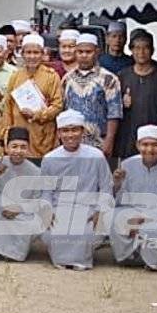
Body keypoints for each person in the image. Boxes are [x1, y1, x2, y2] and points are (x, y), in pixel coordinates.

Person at [40, 109, 113, 270]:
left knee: (86, 232)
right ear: (59, 133)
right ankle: (61, 259)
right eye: (65, 130)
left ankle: (82, 260)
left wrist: (100, 211)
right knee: (55, 232)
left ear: (82, 132)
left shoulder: (96, 156)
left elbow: (106, 187)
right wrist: (47, 210)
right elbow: (46, 191)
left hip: (89, 209)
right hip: (59, 208)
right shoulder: (50, 159)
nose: (70, 135)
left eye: (75, 130)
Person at [109, 124, 157, 271]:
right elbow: (119, 202)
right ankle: (129, 257)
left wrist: (144, 219)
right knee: (113, 217)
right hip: (131, 213)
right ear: (138, 145)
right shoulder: (127, 164)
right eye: (145, 144)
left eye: (155, 145)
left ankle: (154, 260)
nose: (149, 149)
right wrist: (117, 184)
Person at [0, 126, 42, 261]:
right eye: (14, 146)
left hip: (22, 211)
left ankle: (13, 252)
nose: (18, 151)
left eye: (23, 147)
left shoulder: (35, 171)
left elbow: (37, 200)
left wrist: (19, 208)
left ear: (28, 149)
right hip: (1, 206)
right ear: (7, 148)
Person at [0, 34, 63, 158]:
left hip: (42, 135)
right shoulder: (16, 76)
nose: (32, 56)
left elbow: (57, 106)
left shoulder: (51, 76)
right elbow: (8, 107)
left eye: (36, 52)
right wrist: (6, 133)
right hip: (18, 135)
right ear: (22, 54)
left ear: (42, 54)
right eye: (28, 52)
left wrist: (37, 114)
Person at [61, 33, 123, 153]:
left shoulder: (108, 78)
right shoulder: (67, 79)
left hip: (99, 143)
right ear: (76, 52)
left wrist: (109, 140)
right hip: (72, 143)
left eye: (88, 52)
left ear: (97, 52)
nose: (84, 55)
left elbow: (114, 113)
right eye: (80, 52)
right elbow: (62, 110)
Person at [115, 31, 157, 161]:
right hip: (128, 139)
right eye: (137, 48)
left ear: (152, 50)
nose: (141, 52)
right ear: (131, 50)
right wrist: (121, 103)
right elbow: (112, 110)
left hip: (153, 141)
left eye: (146, 48)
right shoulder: (122, 76)